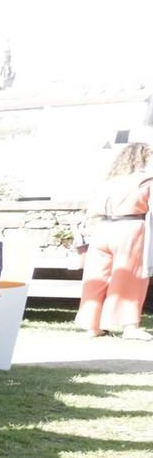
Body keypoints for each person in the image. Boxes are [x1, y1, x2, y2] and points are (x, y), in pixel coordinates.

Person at [78, 141, 150, 338]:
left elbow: (92, 211)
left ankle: (92, 325)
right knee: (130, 276)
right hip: (131, 227)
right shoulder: (146, 180)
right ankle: (129, 326)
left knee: (97, 276)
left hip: (103, 228)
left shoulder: (108, 182)